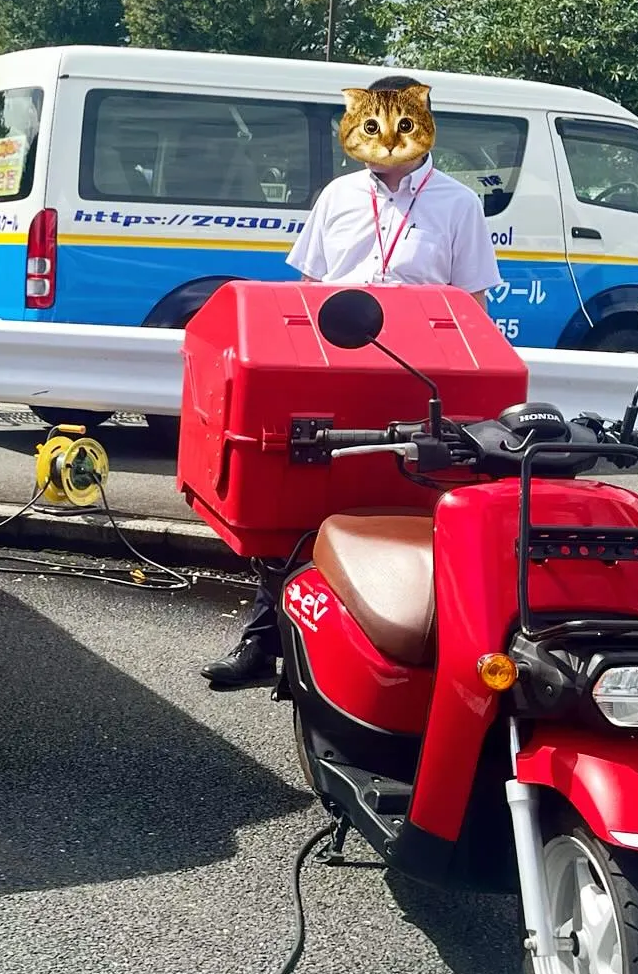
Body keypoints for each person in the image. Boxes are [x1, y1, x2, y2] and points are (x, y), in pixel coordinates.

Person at [202, 73, 504, 690]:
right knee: (295, 500)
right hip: (329, 364)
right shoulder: (337, 195)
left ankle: (384, 654)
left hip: (415, 376)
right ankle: (265, 643)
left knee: (397, 510)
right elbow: (306, 289)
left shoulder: (458, 204)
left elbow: (471, 307)